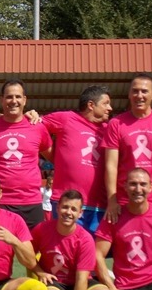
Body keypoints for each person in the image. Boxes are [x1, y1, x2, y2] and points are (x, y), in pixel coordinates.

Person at [30, 189, 112, 290]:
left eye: (74, 209)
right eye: (65, 207)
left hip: (78, 284)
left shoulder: (85, 239)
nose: (68, 212)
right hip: (55, 283)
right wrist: (39, 272)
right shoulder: (42, 229)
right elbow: (28, 255)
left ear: (80, 213)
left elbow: (82, 278)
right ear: (57, 208)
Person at [0, 79, 52, 230]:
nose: (13, 101)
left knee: (31, 253)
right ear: (2, 100)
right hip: (0, 202)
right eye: (9, 97)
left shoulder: (37, 127)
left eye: (18, 97)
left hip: (31, 202)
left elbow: (54, 157)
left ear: (24, 100)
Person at [103, 74, 152, 223]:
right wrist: (112, 201)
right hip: (125, 203)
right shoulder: (116, 123)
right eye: (135, 91)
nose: (139, 96)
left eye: (144, 91)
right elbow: (111, 166)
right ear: (129, 94)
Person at [38, 85, 112, 232]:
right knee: (62, 251)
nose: (110, 108)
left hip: (98, 207)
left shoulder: (109, 130)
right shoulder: (66, 119)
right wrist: (54, 157)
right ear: (91, 105)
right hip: (66, 203)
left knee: (93, 254)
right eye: (106, 103)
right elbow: (33, 128)